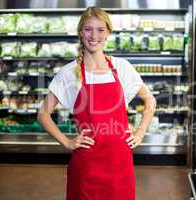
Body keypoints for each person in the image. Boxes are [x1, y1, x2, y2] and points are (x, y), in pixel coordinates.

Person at [37, 6, 156, 200]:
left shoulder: (121, 67)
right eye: (88, 29)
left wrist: (140, 132)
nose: (94, 35)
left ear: (108, 32)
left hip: (120, 164)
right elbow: (43, 114)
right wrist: (67, 142)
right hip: (87, 166)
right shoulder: (69, 73)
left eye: (100, 29)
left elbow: (150, 100)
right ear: (80, 32)